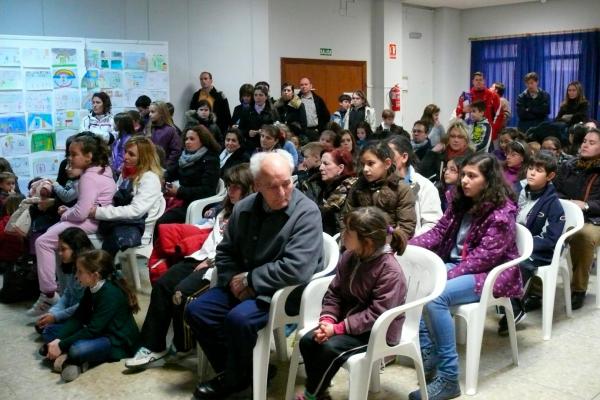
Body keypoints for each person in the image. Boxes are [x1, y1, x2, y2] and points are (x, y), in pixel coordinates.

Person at [184, 150, 324, 399]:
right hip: (241, 284)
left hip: (282, 291)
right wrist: (233, 282)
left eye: (287, 183)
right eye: (272, 187)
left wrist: (250, 279)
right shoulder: (244, 208)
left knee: (239, 320)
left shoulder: (307, 212)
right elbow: (225, 252)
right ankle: (242, 372)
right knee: (197, 311)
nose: (282, 192)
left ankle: (233, 379)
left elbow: (297, 269)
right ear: (257, 185)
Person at [408, 153, 520, 400]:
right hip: (459, 265)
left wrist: (444, 276)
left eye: (472, 176)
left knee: (436, 296)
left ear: (488, 180)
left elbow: (484, 258)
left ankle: (449, 377)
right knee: (416, 283)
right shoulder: (461, 201)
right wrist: (407, 247)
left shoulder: (501, 213)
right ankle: (430, 352)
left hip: (491, 274)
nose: (465, 181)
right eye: (464, 175)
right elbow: (438, 232)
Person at [124, 164, 254, 369]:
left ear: (248, 188)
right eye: (229, 185)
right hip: (200, 257)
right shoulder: (225, 211)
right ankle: (152, 345)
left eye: (236, 187)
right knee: (163, 285)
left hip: (217, 265)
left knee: (180, 294)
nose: (230, 191)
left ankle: (182, 346)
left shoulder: (248, 216)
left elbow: (235, 252)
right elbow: (210, 232)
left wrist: (210, 261)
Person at [297, 207, 407, 400]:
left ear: (367, 241)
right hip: (347, 324)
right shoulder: (350, 256)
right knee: (308, 341)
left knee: (329, 349)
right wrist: (328, 320)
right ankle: (320, 393)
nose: (343, 234)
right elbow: (335, 292)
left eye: (348, 231)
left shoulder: (389, 271)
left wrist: (337, 329)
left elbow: (376, 315)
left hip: (376, 333)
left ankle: (312, 395)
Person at [29, 135, 116, 317]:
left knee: (43, 242)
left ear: (89, 156)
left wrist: (66, 213)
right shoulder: (101, 170)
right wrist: (69, 210)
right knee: (53, 241)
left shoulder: (89, 177)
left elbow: (82, 212)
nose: (70, 158)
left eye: (74, 154)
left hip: (89, 223)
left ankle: (48, 293)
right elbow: (83, 204)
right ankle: (59, 293)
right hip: (91, 220)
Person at [42, 249, 140, 382]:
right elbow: (78, 317)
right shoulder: (91, 287)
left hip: (116, 340)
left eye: (80, 272)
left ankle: (72, 359)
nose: (76, 275)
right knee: (49, 331)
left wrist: (62, 344)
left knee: (77, 349)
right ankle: (70, 358)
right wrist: (59, 340)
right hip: (98, 332)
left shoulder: (110, 294)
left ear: (95, 275)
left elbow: (93, 330)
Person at [497, 151, 565, 336]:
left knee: (517, 264)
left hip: (538, 252)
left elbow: (551, 239)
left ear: (550, 176)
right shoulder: (517, 191)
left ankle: (515, 306)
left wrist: (522, 244)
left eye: (539, 170)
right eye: (531, 168)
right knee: (492, 257)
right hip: (513, 244)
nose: (532, 173)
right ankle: (502, 300)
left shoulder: (553, 204)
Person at [91, 136, 163, 257]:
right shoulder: (128, 174)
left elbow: (135, 211)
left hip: (137, 229)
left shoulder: (150, 178)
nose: (125, 157)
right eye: (125, 152)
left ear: (143, 158)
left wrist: (98, 212)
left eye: (131, 154)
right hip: (122, 222)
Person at [554, 128, 600, 310]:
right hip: (568, 214)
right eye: (584, 141)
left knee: (584, 236)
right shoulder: (569, 165)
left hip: (594, 219)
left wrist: (586, 205)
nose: (585, 145)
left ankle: (578, 289)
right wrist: (567, 203)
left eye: (592, 142)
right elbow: (556, 189)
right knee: (546, 231)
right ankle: (536, 290)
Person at [343, 141, 417, 254]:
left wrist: (388, 245)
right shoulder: (358, 187)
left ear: (387, 164)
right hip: (358, 247)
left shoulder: (401, 189)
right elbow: (346, 217)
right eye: (363, 164)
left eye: (371, 163)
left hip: (389, 249)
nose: (365, 169)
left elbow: (406, 225)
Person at [155, 126, 221, 231]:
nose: (187, 142)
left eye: (192, 139)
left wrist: (179, 191)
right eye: (186, 139)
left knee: (161, 222)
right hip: (185, 200)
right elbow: (172, 172)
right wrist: (163, 178)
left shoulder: (211, 160)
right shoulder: (185, 157)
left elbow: (207, 190)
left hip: (197, 206)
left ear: (203, 140)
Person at [35, 228, 93, 343]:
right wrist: (52, 313)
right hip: (74, 315)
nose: (60, 253)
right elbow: (67, 295)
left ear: (76, 249)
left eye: (63, 249)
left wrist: (56, 317)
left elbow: (82, 306)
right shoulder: (73, 267)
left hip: (86, 317)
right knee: (42, 326)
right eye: (59, 249)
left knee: (48, 331)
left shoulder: (89, 272)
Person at [387, 136, 442, 234]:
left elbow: (432, 225)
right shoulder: (379, 182)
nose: (386, 159)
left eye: (389, 154)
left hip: (412, 245)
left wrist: (405, 243)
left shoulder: (425, 186)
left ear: (404, 157)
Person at [301, 148, 357, 236]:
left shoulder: (353, 191)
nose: (320, 168)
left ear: (340, 168)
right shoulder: (312, 185)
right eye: (321, 163)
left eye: (326, 164)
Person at [455, 72, 504, 141]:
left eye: (480, 80)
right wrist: (463, 112)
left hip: (487, 131)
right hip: (469, 132)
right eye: (476, 80)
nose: (478, 82)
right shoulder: (466, 96)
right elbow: (458, 114)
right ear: (473, 82)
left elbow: (499, 115)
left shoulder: (493, 96)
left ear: (484, 81)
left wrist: (493, 131)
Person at [238, 85, 278, 154]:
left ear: (266, 97)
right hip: (251, 145)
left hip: (268, 145)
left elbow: (277, 128)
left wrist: (265, 131)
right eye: (255, 95)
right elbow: (240, 129)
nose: (258, 97)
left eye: (261, 95)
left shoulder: (272, 110)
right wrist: (248, 133)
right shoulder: (246, 110)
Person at [145, 101, 182, 169]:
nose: (150, 114)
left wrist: (166, 165)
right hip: (149, 166)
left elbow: (176, 151)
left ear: (162, 113)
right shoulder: (149, 128)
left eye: (153, 112)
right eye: (149, 112)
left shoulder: (171, 130)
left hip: (162, 168)